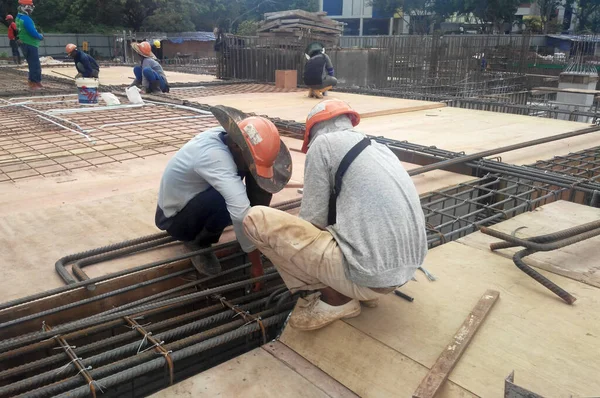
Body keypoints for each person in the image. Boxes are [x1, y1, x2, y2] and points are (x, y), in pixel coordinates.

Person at [242, 99, 427, 331]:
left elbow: (312, 222)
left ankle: (337, 299)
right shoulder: (379, 148)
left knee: (256, 219)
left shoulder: (324, 145)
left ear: (313, 132)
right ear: (348, 121)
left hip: (370, 277)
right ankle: (361, 289)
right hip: (403, 271)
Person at [155, 105, 292, 278]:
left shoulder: (233, 140)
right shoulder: (214, 157)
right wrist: (256, 264)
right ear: (236, 146)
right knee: (226, 199)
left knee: (254, 175)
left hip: (194, 198)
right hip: (175, 220)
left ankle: (252, 233)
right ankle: (198, 243)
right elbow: (239, 211)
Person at [16, 0, 43, 90]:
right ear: (25, 7)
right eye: (29, 6)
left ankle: (36, 81)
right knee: (35, 64)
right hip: (30, 43)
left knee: (32, 64)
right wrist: (40, 36)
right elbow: (32, 32)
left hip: (24, 43)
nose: (31, 9)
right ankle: (34, 83)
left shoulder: (18, 17)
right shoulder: (26, 19)